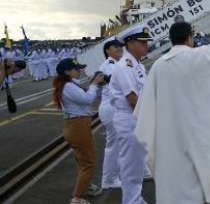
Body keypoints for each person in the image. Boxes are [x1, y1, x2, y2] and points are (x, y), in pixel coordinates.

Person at [135, 11, 210, 203]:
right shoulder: (197, 58)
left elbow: (144, 109)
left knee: (171, 182)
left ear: (171, 40)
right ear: (190, 38)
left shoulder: (158, 66)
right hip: (195, 134)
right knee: (194, 182)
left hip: (167, 137)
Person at [53, 58, 107, 204]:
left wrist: (93, 83)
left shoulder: (68, 84)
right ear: (67, 71)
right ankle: (76, 198)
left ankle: (86, 185)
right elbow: (87, 99)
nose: (79, 70)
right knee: (89, 162)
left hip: (76, 125)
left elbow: (83, 94)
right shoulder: (68, 86)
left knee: (83, 160)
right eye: (76, 69)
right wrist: (95, 84)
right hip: (78, 126)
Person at [109, 25, 152, 204]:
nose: (146, 46)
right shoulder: (125, 67)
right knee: (131, 168)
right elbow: (133, 98)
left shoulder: (137, 65)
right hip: (129, 119)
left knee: (137, 165)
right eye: (142, 43)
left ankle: (136, 200)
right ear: (131, 43)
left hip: (136, 118)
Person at [99, 37, 124, 190]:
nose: (120, 49)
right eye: (116, 47)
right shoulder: (109, 65)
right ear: (108, 50)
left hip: (115, 107)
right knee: (113, 145)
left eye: (120, 47)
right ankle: (109, 179)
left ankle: (116, 175)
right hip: (111, 108)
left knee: (121, 143)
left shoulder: (116, 64)